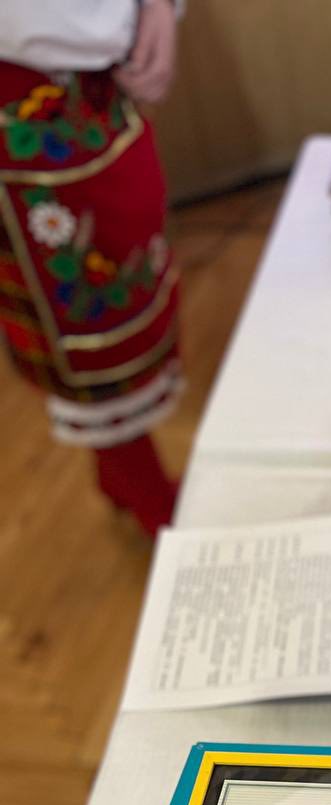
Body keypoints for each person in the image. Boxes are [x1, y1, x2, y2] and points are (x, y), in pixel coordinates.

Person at [0, 1, 183, 535]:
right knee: (80, 313)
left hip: (97, 90)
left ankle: (121, 469)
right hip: (29, 94)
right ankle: (139, 479)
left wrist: (157, 6)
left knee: (130, 268)